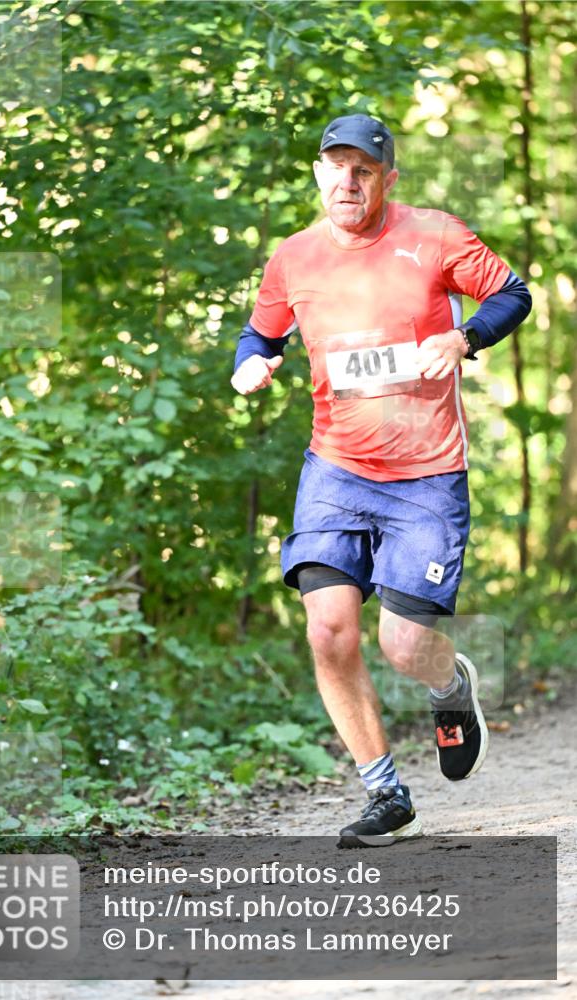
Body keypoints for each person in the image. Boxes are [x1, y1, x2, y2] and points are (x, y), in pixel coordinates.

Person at [230, 113, 532, 847]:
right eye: (336, 167)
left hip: (426, 474)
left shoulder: (433, 235)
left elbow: (512, 293)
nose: (348, 181)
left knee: (402, 644)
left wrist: (462, 336)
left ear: (386, 179)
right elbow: (261, 331)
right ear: (317, 174)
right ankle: (386, 795)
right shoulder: (294, 258)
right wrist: (250, 363)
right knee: (328, 629)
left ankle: (448, 687)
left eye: (363, 170)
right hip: (335, 468)